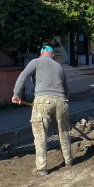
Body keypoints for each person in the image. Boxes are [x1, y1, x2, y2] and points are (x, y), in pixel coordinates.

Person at [12, 46, 72, 176]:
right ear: (52, 55)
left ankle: (42, 168)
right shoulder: (59, 66)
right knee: (64, 131)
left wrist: (16, 94)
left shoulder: (35, 62)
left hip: (42, 101)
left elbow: (23, 76)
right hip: (61, 101)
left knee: (41, 135)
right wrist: (63, 103)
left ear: (41, 55)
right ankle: (68, 161)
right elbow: (66, 89)